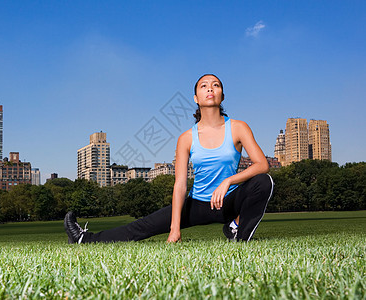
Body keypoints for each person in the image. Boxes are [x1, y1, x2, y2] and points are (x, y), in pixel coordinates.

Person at [64, 74, 274, 244]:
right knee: (143, 225)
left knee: (264, 182)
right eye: (204, 86)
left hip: (229, 199)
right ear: (196, 98)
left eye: (216, 85)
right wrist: (175, 228)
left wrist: (228, 181)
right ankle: (84, 238)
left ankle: (238, 233)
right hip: (198, 204)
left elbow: (262, 165)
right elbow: (180, 184)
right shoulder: (186, 138)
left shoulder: (238, 128)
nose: (210, 88)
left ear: (222, 95)